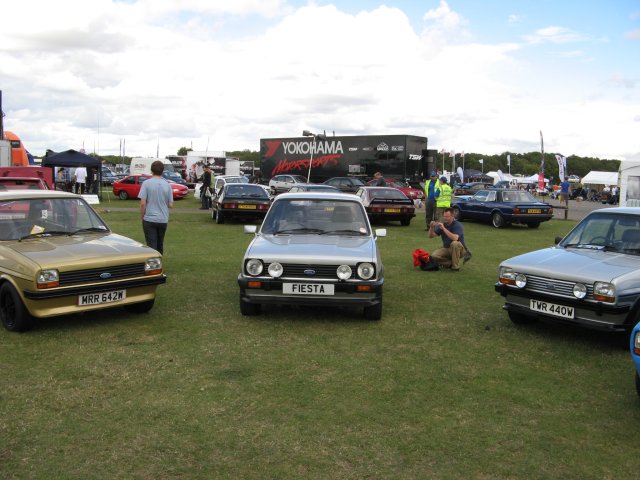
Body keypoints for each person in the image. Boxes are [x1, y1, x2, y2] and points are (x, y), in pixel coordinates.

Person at [139, 160, 174, 254]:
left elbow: (143, 204)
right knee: (160, 244)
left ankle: (153, 266)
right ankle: (159, 264)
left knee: (151, 245)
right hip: (163, 219)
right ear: (162, 171)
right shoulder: (167, 185)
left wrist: (142, 217)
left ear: (151, 171)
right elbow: (171, 205)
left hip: (149, 219)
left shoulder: (146, 183)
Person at [428, 207, 471, 272]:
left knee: (455, 243)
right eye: (444, 216)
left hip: (459, 250)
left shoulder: (457, 225)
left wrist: (444, 229)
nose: (445, 218)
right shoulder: (443, 224)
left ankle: (455, 267)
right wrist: (431, 227)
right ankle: (449, 263)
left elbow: (455, 238)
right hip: (447, 248)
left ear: (452, 216)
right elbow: (431, 236)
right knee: (434, 256)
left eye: (447, 216)